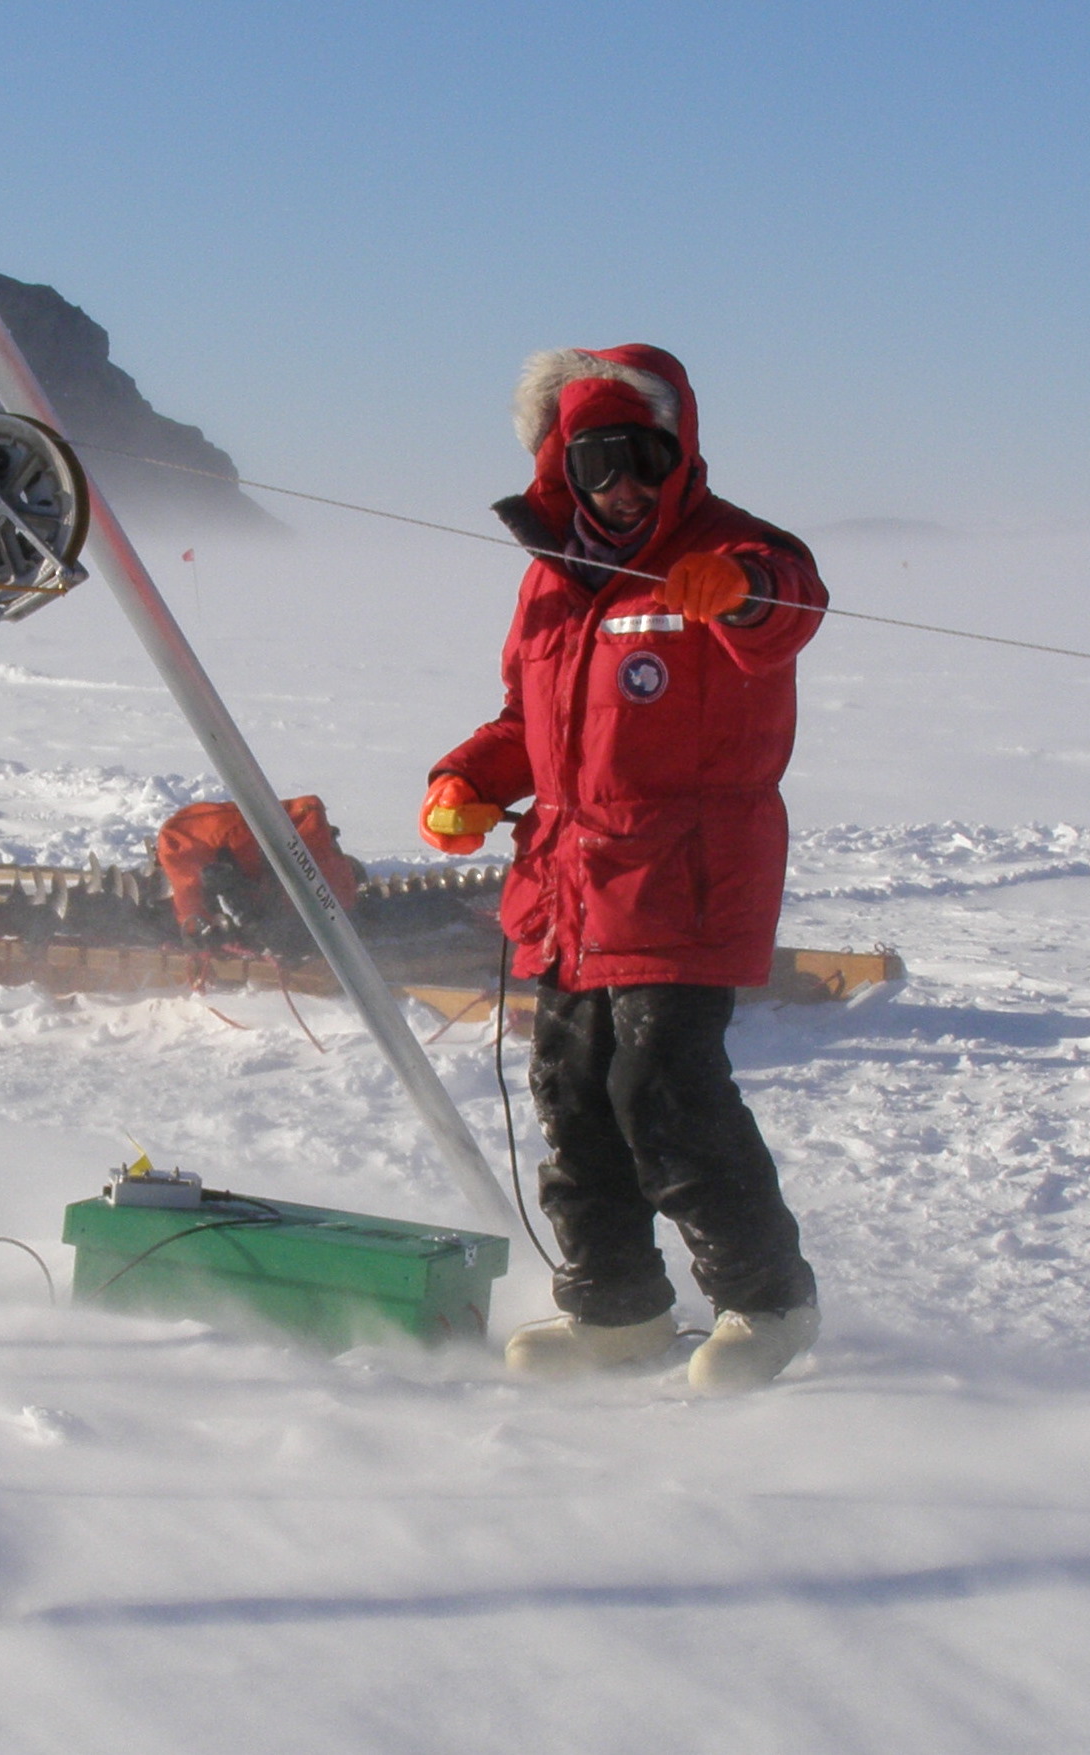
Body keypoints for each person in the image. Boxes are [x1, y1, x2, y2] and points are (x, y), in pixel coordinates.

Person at [420, 345, 826, 1392]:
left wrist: (738, 593)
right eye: (599, 461)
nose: (626, 484)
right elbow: (529, 723)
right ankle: (616, 1313)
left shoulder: (736, 545)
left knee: (664, 1086)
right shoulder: (549, 581)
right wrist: (465, 781)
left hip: (687, 877)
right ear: (564, 468)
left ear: (679, 450)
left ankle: (768, 1301)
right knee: (572, 1091)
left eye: (644, 454)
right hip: (568, 883)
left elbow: (790, 606)